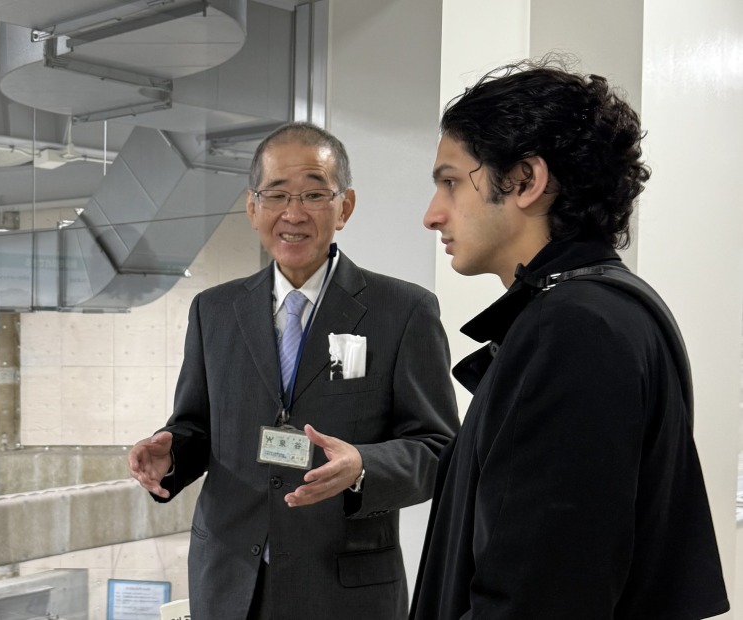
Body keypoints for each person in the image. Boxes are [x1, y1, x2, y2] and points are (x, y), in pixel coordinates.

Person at [410, 59, 729, 619]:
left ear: (526, 180)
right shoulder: (604, 306)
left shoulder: (575, 328)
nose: (433, 214)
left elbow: (538, 597)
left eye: (452, 181)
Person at [128, 121, 459, 620]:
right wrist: (170, 453)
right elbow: (197, 426)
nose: (294, 213)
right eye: (277, 194)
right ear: (252, 207)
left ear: (344, 207)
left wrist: (362, 467)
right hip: (229, 583)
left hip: (344, 588)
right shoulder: (212, 311)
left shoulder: (403, 311)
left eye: (313, 194)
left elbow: (437, 451)